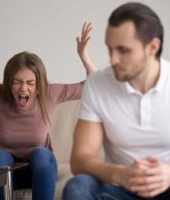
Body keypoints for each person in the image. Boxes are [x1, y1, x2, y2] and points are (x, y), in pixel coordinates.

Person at [0, 15, 97, 200]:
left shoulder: (50, 93)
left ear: (39, 85)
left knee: (40, 153)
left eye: (30, 83)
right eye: (17, 82)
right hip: (5, 175)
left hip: (41, 172)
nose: (23, 88)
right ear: (8, 82)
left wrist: (84, 56)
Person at [63, 2, 170, 200]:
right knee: (78, 187)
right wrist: (121, 174)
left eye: (123, 50)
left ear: (153, 47)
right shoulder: (97, 84)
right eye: (110, 49)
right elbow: (80, 159)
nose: (112, 60)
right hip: (119, 189)